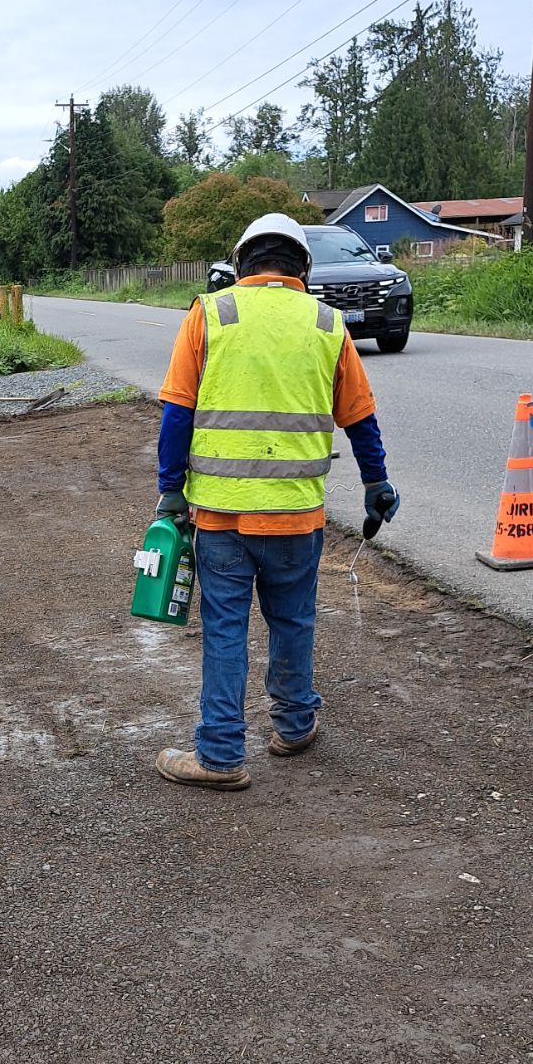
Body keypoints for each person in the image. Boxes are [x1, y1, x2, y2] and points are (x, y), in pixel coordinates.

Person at [152, 212, 399, 790]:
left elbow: (176, 414)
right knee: (293, 620)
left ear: (240, 263)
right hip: (296, 516)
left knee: (225, 629)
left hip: (221, 518)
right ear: (302, 267)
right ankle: (292, 725)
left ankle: (218, 755)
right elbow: (361, 418)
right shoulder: (327, 324)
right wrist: (375, 484)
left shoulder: (208, 316)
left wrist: (169, 491)